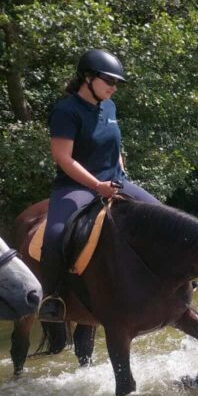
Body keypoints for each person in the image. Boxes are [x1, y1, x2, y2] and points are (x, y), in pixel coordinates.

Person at [38, 49, 160, 321]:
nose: (114, 88)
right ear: (88, 77)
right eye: (109, 81)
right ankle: (52, 297)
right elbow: (62, 157)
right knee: (56, 234)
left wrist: (120, 169)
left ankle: (169, 277)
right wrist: (96, 184)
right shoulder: (66, 111)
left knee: (161, 215)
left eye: (117, 83)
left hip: (115, 182)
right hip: (76, 187)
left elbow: (113, 143)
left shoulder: (109, 106)